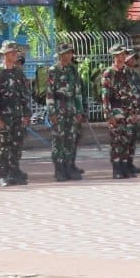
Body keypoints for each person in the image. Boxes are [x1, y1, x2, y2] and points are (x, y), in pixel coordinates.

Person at [0, 41, 32, 186]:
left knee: (16, 145)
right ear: (5, 54)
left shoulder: (18, 72)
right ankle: (3, 175)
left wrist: (26, 113)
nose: (15, 55)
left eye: (16, 52)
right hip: (4, 116)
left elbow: (24, 94)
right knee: (3, 145)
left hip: (17, 115)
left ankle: (14, 173)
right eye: (12, 52)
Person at [46, 44, 88, 181]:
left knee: (70, 139)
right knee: (59, 140)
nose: (69, 56)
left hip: (72, 109)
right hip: (59, 109)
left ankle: (69, 167)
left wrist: (79, 110)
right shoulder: (53, 70)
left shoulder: (73, 70)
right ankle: (59, 170)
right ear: (61, 55)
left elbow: (78, 92)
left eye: (70, 53)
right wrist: (52, 112)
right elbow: (50, 93)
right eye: (66, 53)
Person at [101, 44, 140, 178]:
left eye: (124, 54)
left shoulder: (129, 72)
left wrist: (135, 112)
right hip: (116, 111)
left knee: (127, 140)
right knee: (117, 141)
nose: (122, 57)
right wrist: (108, 114)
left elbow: (133, 93)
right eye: (119, 55)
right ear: (114, 56)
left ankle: (125, 168)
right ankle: (116, 169)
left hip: (129, 112)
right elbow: (105, 97)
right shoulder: (109, 73)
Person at [123, 48, 140, 173]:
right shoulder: (121, 75)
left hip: (135, 113)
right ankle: (123, 164)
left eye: (135, 58)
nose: (134, 60)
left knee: (133, 139)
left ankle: (130, 163)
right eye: (132, 58)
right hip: (124, 113)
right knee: (125, 139)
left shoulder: (135, 76)